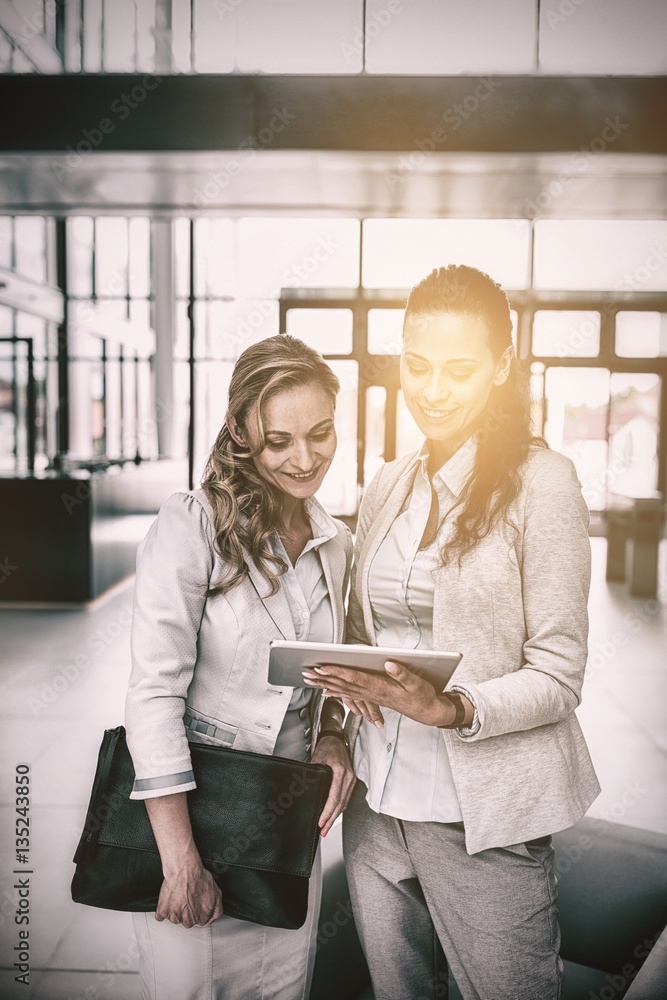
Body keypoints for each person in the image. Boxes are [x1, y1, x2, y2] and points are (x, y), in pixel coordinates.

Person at [303, 265, 601, 1000]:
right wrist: (336, 727)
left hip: (483, 819)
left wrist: (453, 708)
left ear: (500, 367)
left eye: (460, 370)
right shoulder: (388, 484)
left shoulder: (544, 483)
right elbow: (352, 638)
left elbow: (559, 673)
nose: (432, 389)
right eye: (417, 365)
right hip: (376, 812)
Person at [125, 334, 356, 1000]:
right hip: (196, 827)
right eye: (279, 441)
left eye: (319, 434)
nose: (305, 458)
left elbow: (335, 675)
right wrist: (181, 861)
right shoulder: (189, 527)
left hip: (285, 836)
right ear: (238, 430)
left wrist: (334, 735)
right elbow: (152, 695)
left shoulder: (333, 543)